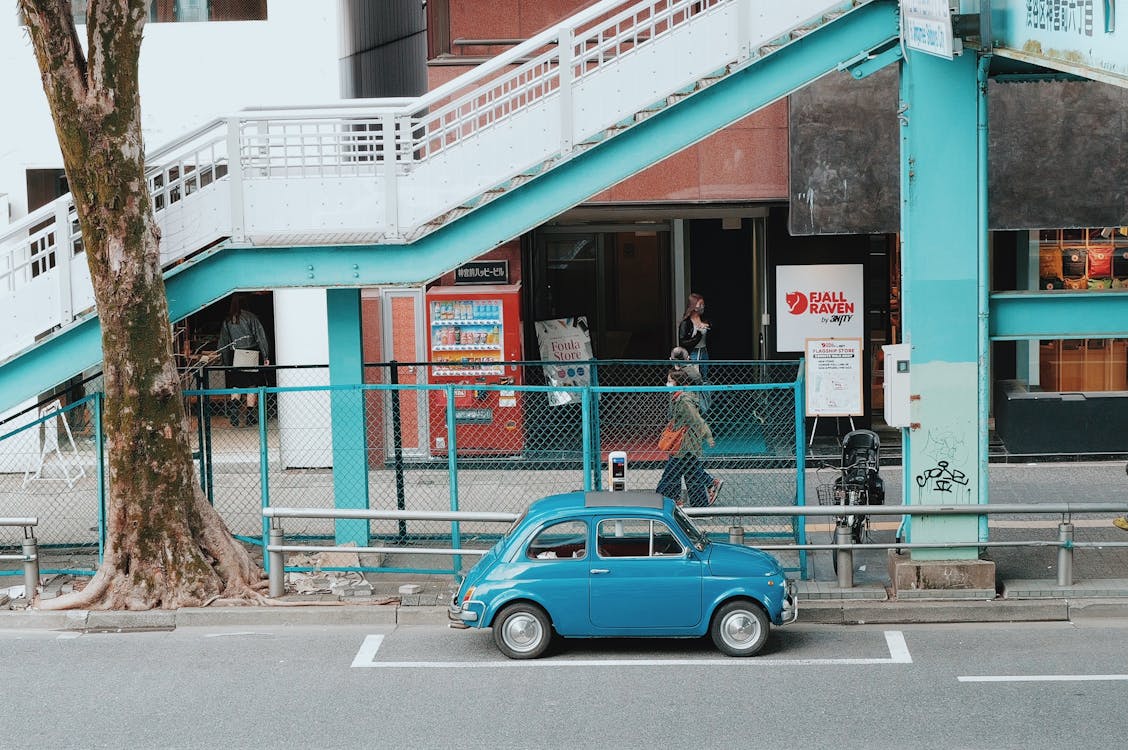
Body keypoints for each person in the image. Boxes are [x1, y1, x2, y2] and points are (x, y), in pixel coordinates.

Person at [656, 369, 717, 508]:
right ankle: (700, 503)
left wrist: (708, 436)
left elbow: (696, 419)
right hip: (687, 442)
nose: (668, 383)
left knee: (670, 474)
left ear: (678, 382)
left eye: (670, 381)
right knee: (691, 473)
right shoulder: (679, 396)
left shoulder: (683, 400)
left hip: (684, 443)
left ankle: (661, 500)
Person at [671, 346, 723, 503]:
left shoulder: (688, 373)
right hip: (684, 423)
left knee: (679, 463)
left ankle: (675, 498)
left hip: (687, 425)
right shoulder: (686, 371)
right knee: (688, 462)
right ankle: (706, 488)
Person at [218, 294, 271, 427]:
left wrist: (225, 361)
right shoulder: (251, 318)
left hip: (236, 355)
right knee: (251, 385)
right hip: (251, 354)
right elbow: (260, 337)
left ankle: (234, 412)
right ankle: (250, 416)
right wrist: (265, 356)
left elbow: (223, 343)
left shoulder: (227, 321)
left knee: (236, 385)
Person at [677, 292, 710, 376]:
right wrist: (698, 335)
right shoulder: (686, 323)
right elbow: (683, 342)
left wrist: (708, 326)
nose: (703, 306)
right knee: (695, 375)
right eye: (701, 304)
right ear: (694, 306)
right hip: (693, 352)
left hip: (704, 350)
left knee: (705, 375)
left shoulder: (704, 319)